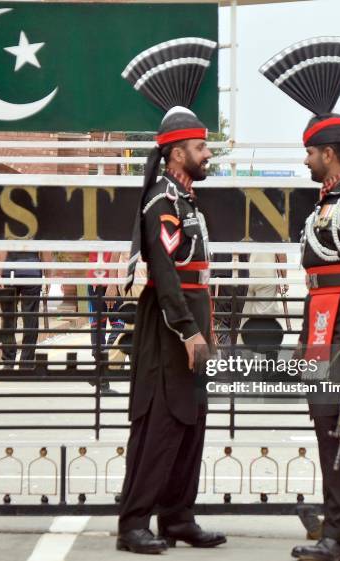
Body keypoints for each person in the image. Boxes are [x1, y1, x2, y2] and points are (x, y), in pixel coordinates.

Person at [261, 36, 340, 561]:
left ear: (328, 152)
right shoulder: (324, 206)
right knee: (327, 427)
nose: (307, 159)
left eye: (310, 151)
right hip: (321, 332)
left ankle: (339, 536)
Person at [118, 37, 225, 555]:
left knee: (193, 421)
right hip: (168, 333)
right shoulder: (163, 200)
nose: (208, 155)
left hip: (193, 326)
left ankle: (178, 517)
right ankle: (133, 522)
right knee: (160, 424)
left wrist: (209, 328)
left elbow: (198, 274)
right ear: (178, 152)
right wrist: (188, 331)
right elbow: (164, 271)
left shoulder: (187, 199)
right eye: (202, 148)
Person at [0, 250, 52, 367]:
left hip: (9, 272)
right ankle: (26, 362)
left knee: (8, 319)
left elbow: (2, 247)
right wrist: (48, 277)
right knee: (30, 318)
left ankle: (8, 362)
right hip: (32, 272)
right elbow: (46, 251)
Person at [87, 251, 122, 394]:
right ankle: (103, 370)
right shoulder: (115, 229)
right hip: (111, 280)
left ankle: (101, 375)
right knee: (119, 324)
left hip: (95, 278)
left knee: (98, 325)